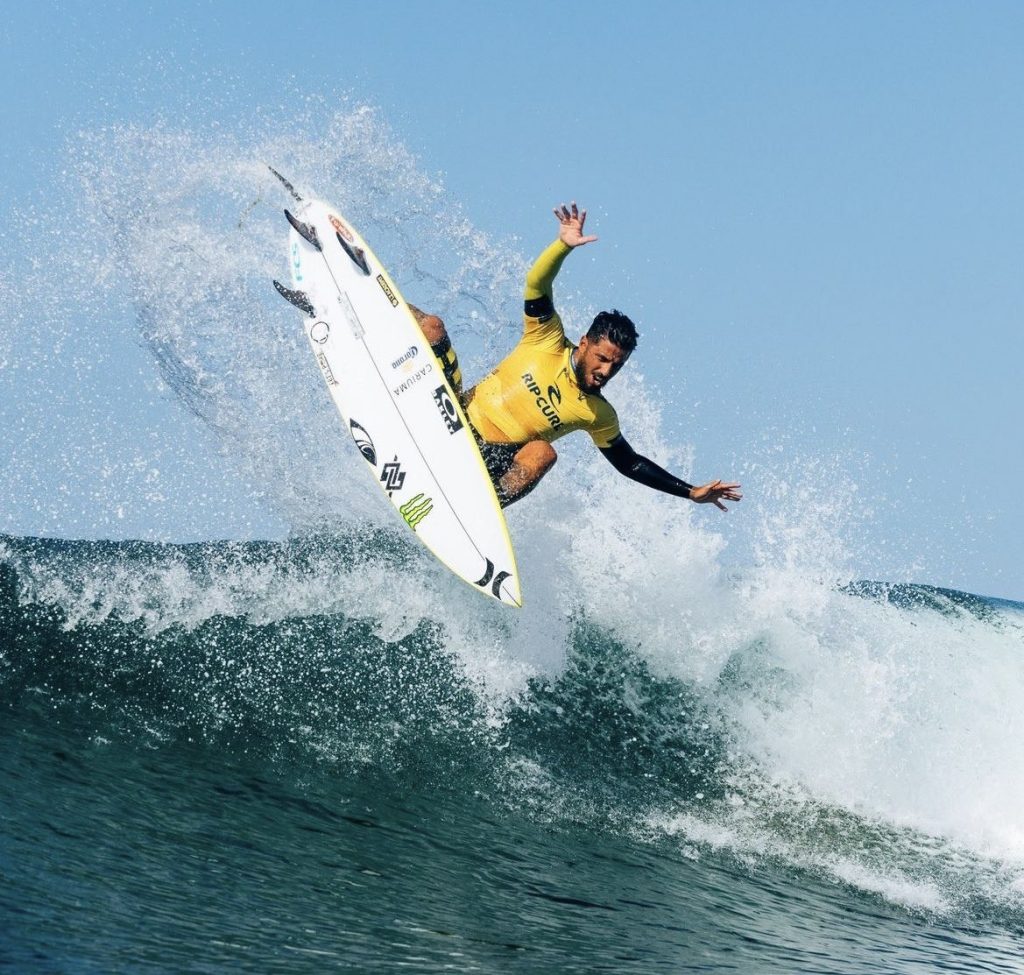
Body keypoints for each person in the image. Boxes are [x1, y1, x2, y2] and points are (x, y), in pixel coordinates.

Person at [409, 202, 742, 511]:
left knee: (543, 453)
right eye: (602, 357)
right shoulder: (546, 338)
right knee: (433, 327)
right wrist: (563, 246)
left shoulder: (597, 413)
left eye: (616, 365)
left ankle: (477, 511)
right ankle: (365, 295)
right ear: (584, 343)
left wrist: (689, 491)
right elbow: (536, 283)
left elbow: (630, 463)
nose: (606, 370)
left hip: (487, 463)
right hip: (451, 413)